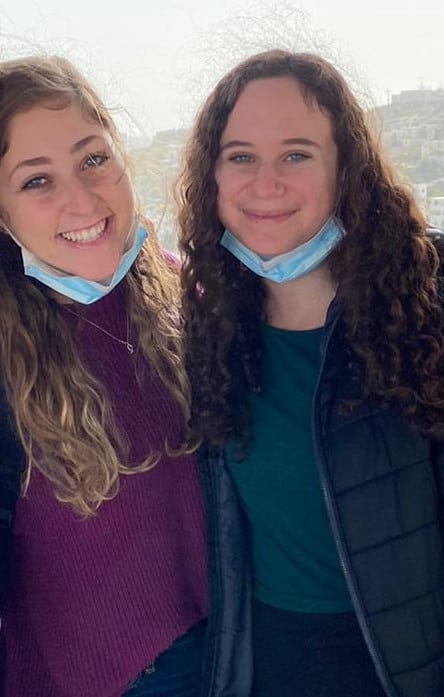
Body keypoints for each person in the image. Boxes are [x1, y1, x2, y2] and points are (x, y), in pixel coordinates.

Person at [178, 49, 444, 697]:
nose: (265, 181)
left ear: (347, 172)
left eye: (298, 154)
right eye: (241, 155)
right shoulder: (215, 331)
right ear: (213, 176)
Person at [0, 56, 208, 697]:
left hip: (232, 646)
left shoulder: (181, 290)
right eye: (37, 181)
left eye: (93, 159)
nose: (82, 200)